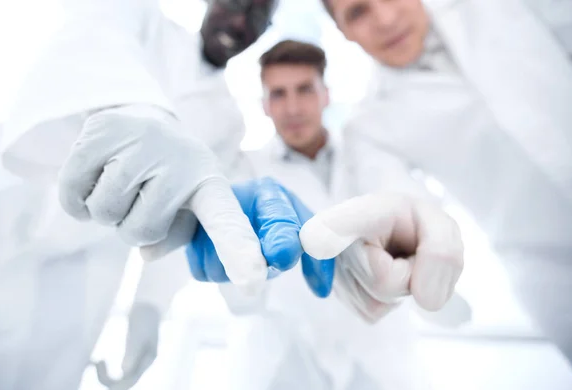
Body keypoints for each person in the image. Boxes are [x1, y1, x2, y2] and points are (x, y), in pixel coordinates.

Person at [0, 1, 323, 389]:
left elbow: (183, 222)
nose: (242, 20)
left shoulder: (228, 122)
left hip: (86, 261)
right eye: (236, 2)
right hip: (6, 198)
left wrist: (148, 309)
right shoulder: (138, 16)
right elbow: (93, 40)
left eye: (259, 16)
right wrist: (144, 116)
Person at [186, 39, 465, 390]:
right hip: (280, 357)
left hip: (377, 352)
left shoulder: (366, 153)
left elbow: (411, 207)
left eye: (304, 90)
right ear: (264, 106)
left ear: (325, 94)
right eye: (278, 94)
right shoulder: (244, 172)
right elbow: (240, 292)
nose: (292, 107)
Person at [320, 0, 572, 372]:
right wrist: (412, 260)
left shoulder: (506, 8)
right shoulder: (372, 127)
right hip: (563, 281)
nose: (386, 18)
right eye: (358, 12)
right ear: (343, 32)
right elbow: (402, 208)